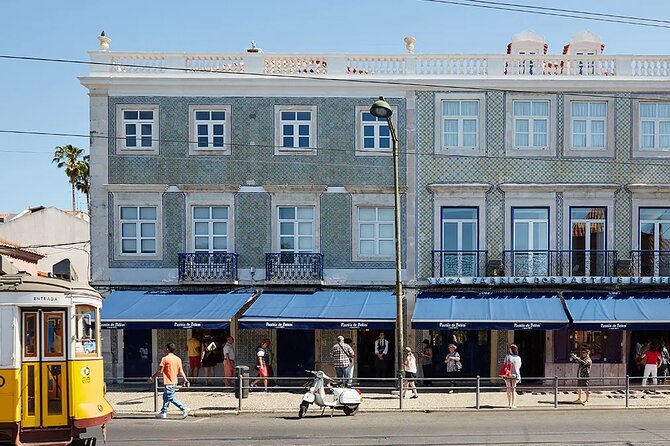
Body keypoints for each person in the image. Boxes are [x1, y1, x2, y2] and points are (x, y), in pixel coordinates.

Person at [150, 343, 190, 419]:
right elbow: (181, 371)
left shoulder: (164, 359)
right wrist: (185, 380)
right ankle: (163, 412)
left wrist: (152, 377)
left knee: (170, 397)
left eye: (165, 348)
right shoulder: (178, 359)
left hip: (168, 381)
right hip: (174, 381)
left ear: (167, 349)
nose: (164, 350)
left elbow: (160, 371)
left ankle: (184, 408)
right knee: (165, 397)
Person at [501, 344, 522, 409]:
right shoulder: (518, 358)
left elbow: (504, 364)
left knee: (508, 389)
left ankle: (509, 403)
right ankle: (513, 404)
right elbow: (519, 366)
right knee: (513, 389)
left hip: (507, 375)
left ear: (511, 349)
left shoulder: (507, 357)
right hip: (515, 375)